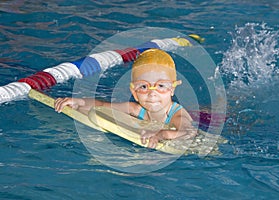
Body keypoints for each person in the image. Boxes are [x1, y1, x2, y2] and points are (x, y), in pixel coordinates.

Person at [54, 49, 196, 148]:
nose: (152, 94)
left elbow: (189, 132)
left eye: (161, 86)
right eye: (144, 87)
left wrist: (161, 134)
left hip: (201, 118)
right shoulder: (136, 109)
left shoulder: (177, 114)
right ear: (134, 92)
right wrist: (79, 102)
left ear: (172, 89)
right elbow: (102, 105)